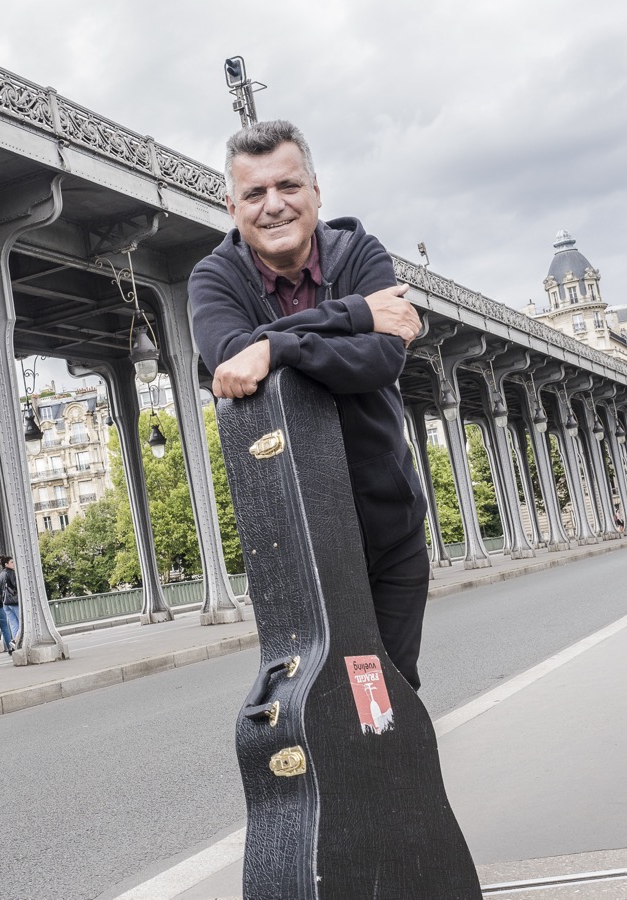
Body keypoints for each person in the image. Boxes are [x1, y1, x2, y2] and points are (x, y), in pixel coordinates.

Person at [189, 120, 429, 689]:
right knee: (324, 695)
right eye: (254, 193)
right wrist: (357, 314)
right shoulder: (213, 278)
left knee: (392, 688)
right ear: (232, 208)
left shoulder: (361, 251)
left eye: (289, 186)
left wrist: (276, 347)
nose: (273, 205)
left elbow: (381, 359)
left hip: (387, 522)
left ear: (316, 192)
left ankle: (392, 749)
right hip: (293, 538)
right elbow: (231, 361)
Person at [0, 555, 21, 649]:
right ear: (6, 564)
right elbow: (16, 586)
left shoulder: (1, 574)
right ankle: (15, 640)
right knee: (22, 622)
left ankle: (15, 643)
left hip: (5, 602)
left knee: (13, 624)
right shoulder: (11, 573)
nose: (13, 564)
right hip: (13, 601)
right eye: (11, 562)